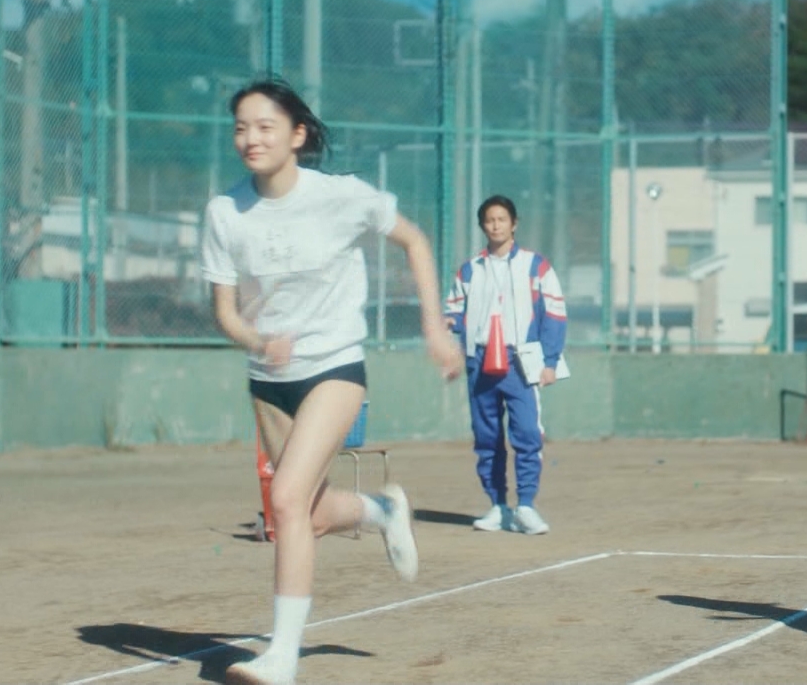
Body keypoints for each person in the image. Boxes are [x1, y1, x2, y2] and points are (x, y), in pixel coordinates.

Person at [200, 78, 463, 685]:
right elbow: (225, 313)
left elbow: (414, 240)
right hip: (269, 379)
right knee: (308, 514)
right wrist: (258, 342)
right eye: (240, 127)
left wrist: (434, 327)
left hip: (334, 368)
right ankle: (381, 509)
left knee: (285, 501)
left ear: (297, 135)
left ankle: (281, 656)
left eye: (265, 126)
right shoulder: (224, 213)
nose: (250, 138)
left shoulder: (340, 196)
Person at [444, 195, 567, 536]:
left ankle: (526, 505)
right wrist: (452, 339)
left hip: (521, 362)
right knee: (487, 437)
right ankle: (498, 506)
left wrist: (549, 362)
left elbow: (555, 314)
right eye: (489, 220)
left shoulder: (536, 266)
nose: (495, 225)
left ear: (514, 224)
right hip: (480, 361)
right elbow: (452, 311)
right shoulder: (470, 269)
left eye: (501, 219)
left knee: (527, 432)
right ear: (482, 226)